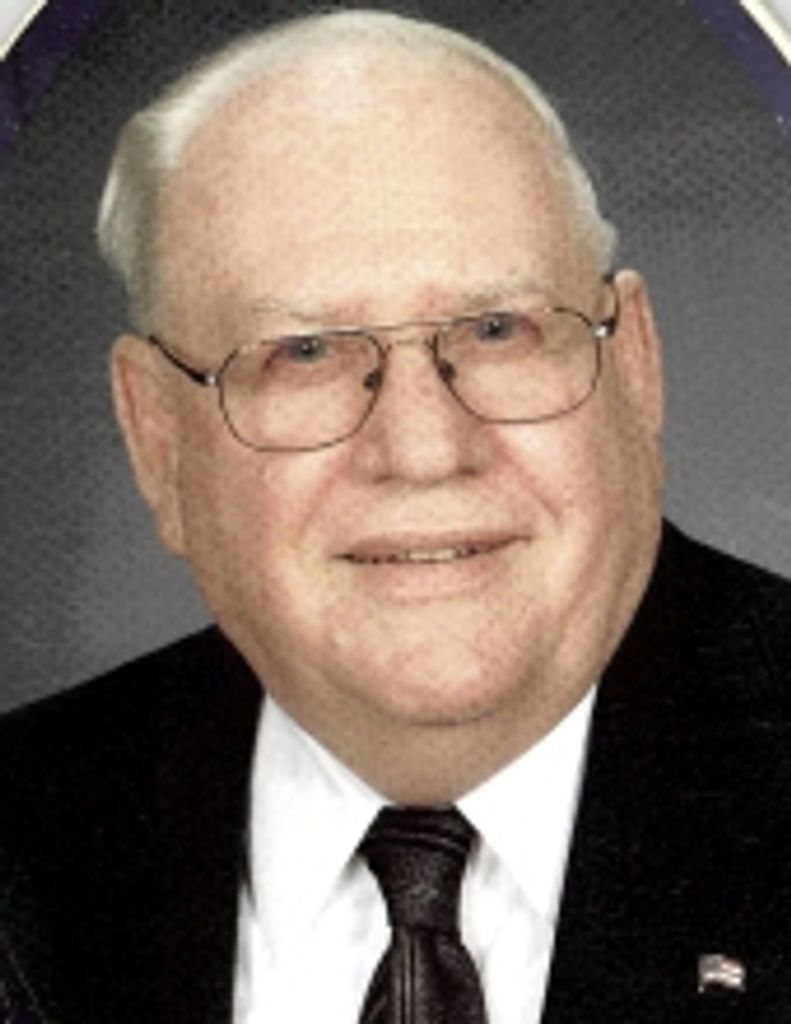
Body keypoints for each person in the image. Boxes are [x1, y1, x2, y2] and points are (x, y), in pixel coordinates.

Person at [1, 9, 789, 1023]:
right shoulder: (28, 838)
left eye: (497, 329)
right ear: (156, 437)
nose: (422, 449)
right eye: (304, 354)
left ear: (633, 366)